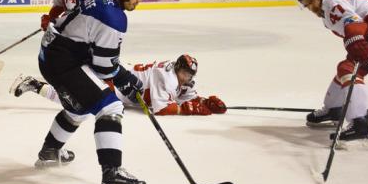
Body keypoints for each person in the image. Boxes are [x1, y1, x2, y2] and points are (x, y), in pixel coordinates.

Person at [35, 0, 150, 184]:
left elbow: (79, 7)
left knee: (80, 105)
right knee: (110, 107)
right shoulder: (114, 19)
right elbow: (104, 67)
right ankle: (112, 175)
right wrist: (126, 79)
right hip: (64, 62)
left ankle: (50, 151)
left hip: (53, 52)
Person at [11, 55, 227, 116]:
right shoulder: (167, 77)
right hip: (118, 82)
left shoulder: (181, 79)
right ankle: (34, 83)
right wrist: (190, 110)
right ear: (177, 68)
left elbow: (187, 97)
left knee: (76, 101)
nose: (186, 78)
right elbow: (161, 109)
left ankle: (37, 84)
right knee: (76, 103)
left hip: (123, 81)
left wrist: (204, 102)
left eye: (189, 75)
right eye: (184, 73)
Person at [297, 0, 368, 143]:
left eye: (311, 1)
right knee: (346, 69)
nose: (311, 7)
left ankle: (359, 123)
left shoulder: (332, 4)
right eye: (306, 4)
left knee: (348, 69)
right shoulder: (331, 2)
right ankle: (334, 109)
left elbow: (354, 25)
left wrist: (357, 40)